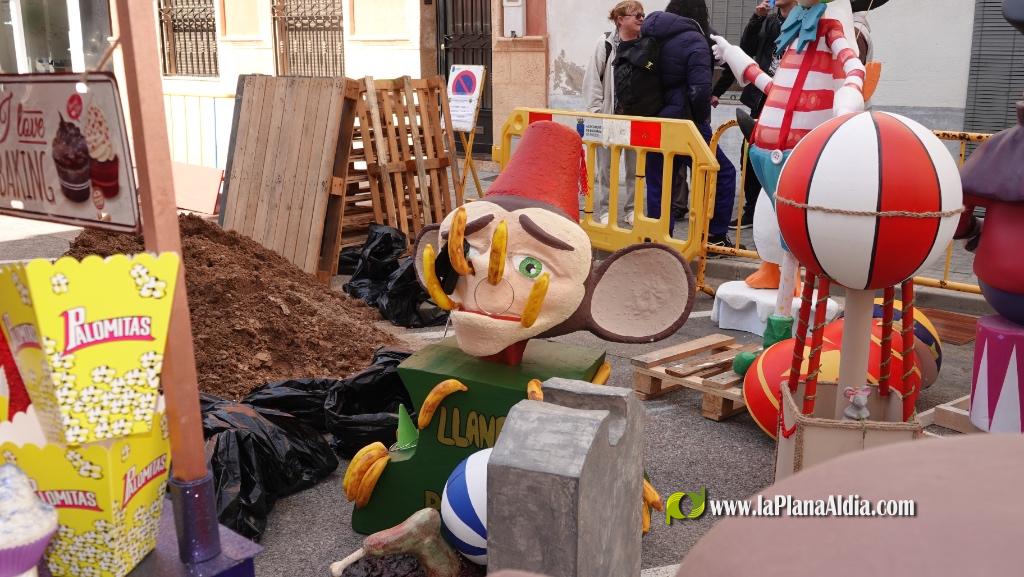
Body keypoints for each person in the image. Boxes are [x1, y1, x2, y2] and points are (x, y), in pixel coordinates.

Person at [642, 0, 738, 247]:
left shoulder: (651, 32)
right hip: (685, 122)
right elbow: (699, 89)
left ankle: (657, 240)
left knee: (658, 182)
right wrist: (701, 118)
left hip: (652, 118)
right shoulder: (695, 39)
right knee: (723, 173)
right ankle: (715, 237)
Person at [711, 0, 793, 229]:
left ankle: (781, 211)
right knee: (750, 153)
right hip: (762, 97)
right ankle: (752, 210)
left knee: (783, 157)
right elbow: (747, 51)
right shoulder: (769, 21)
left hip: (790, 99)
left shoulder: (806, 21)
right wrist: (756, 19)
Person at [582, 1, 643, 225]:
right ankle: (606, 209)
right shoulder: (606, 43)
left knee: (634, 169)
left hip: (635, 118)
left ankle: (631, 210)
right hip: (609, 117)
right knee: (606, 169)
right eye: (635, 14)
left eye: (642, 14)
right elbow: (592, 80)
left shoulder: (643, 44)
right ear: (620, 19)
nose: (640, 18)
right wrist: (598, 113)